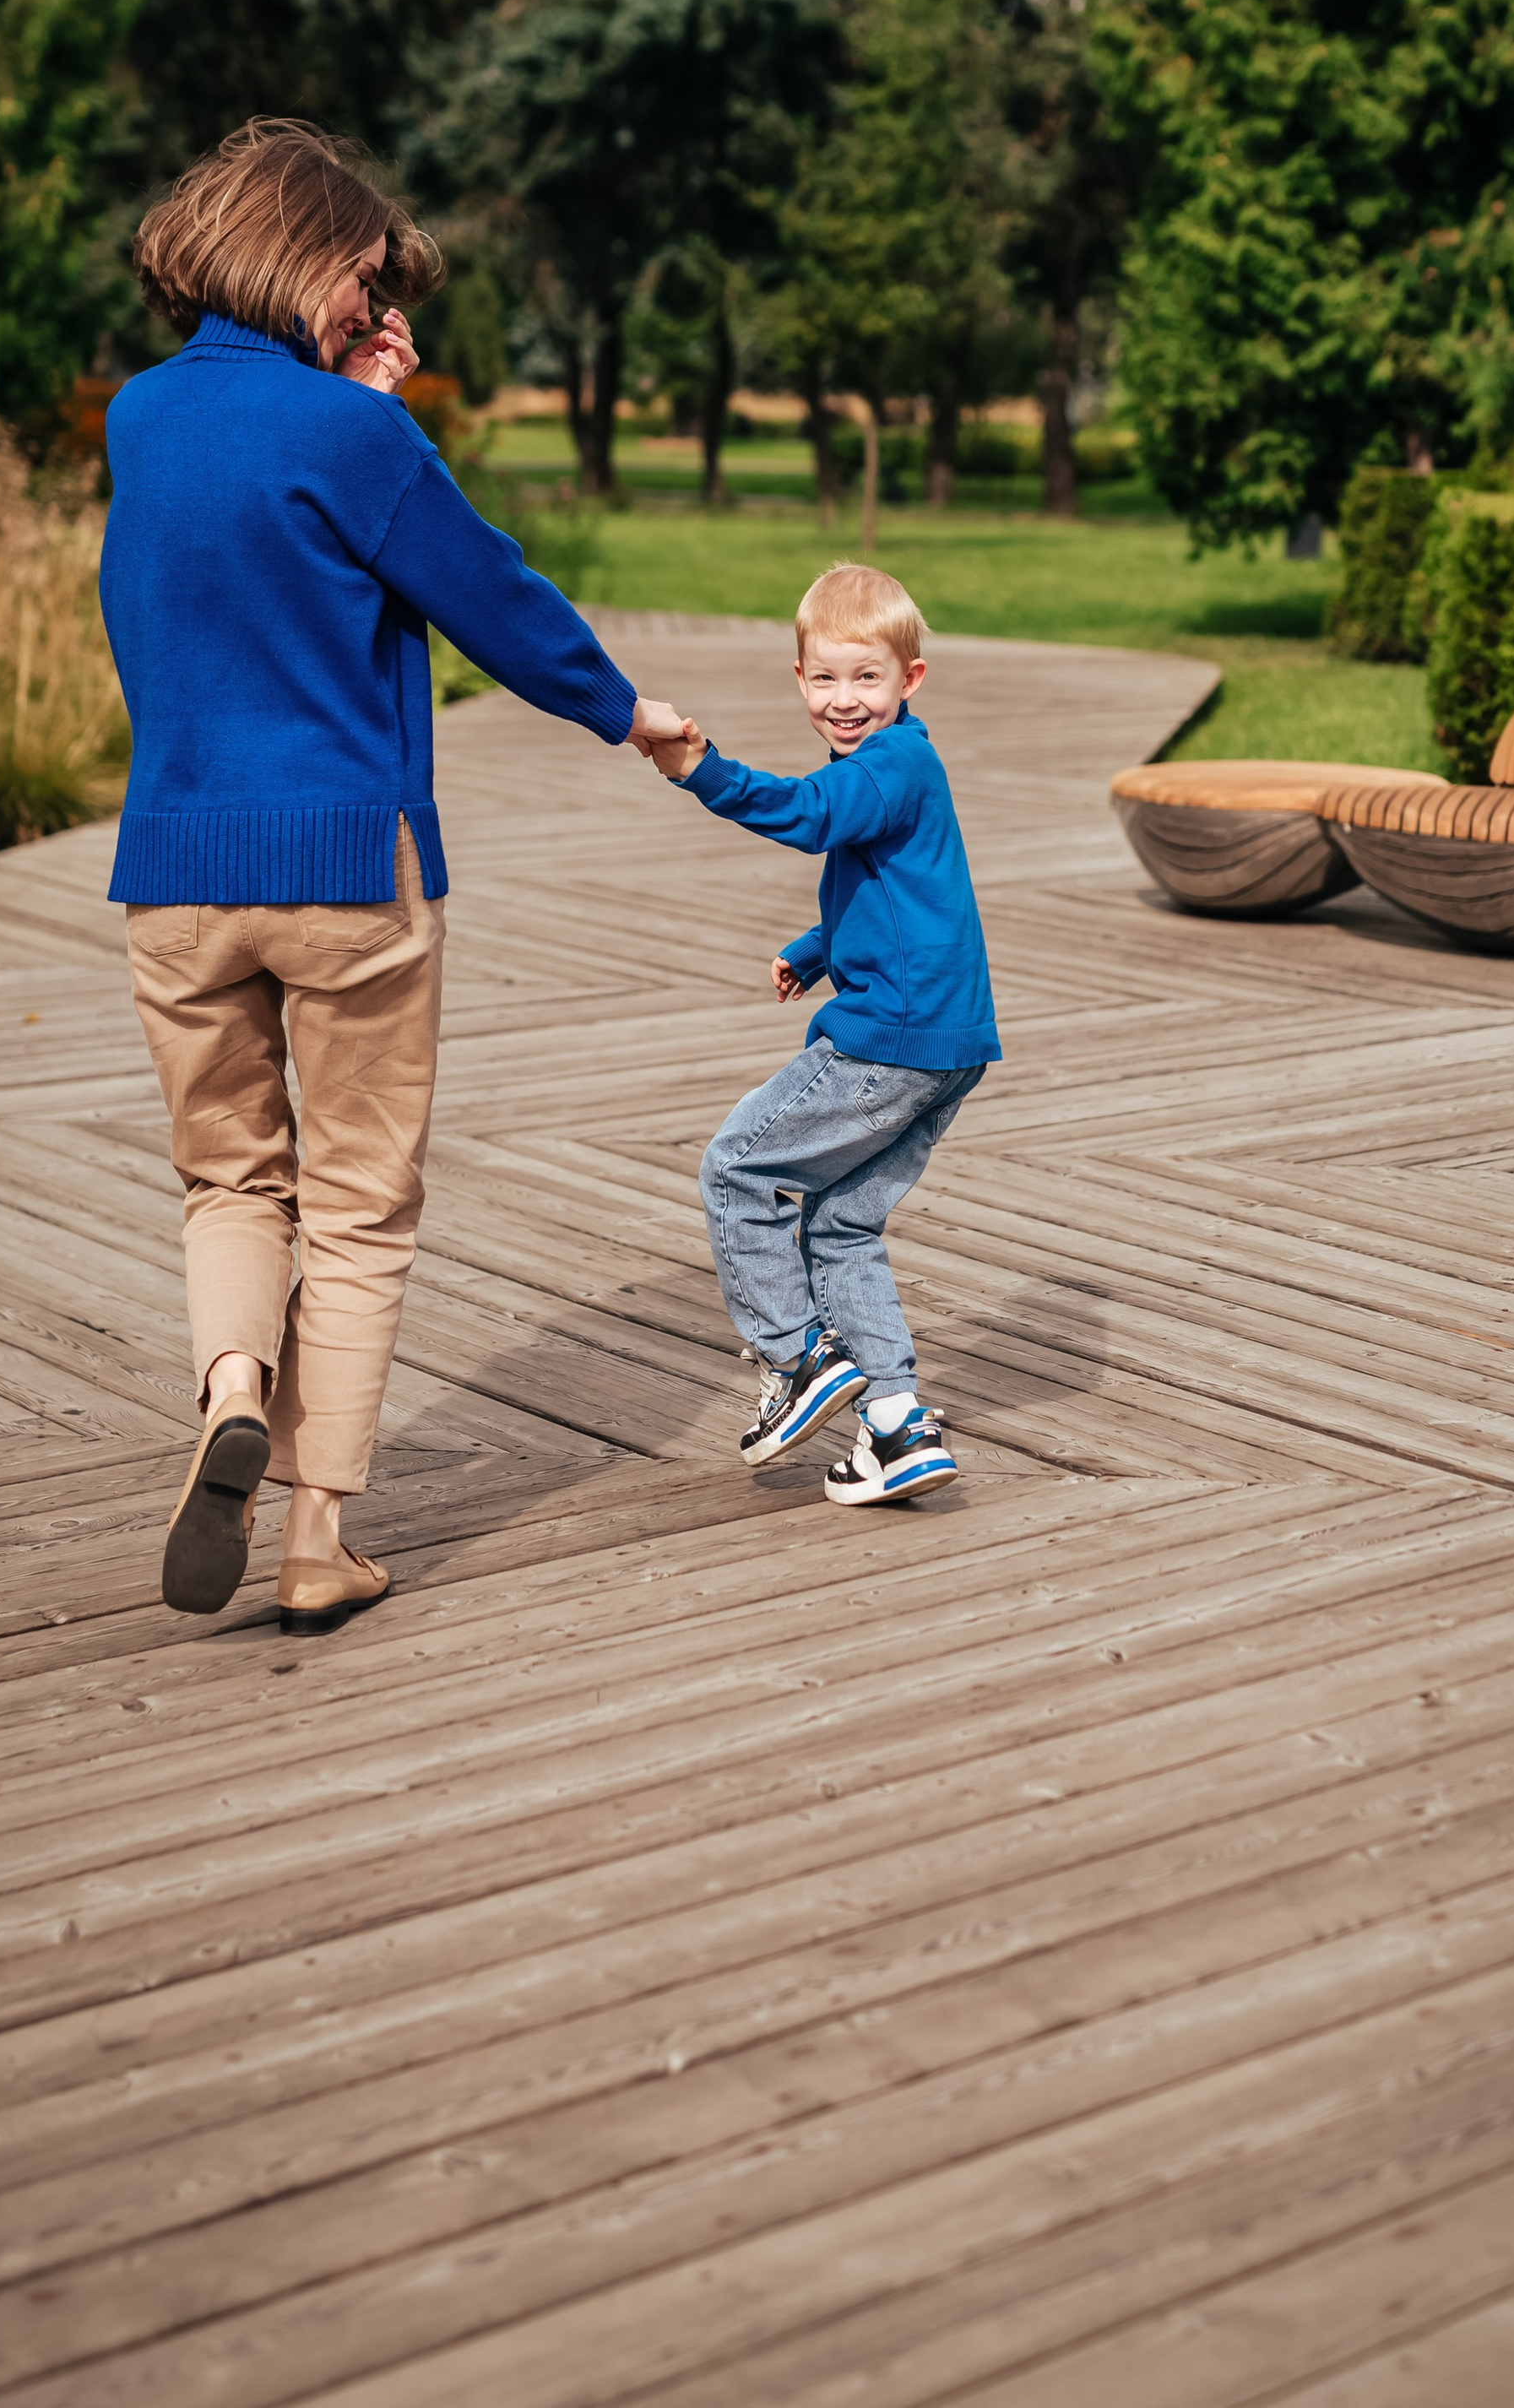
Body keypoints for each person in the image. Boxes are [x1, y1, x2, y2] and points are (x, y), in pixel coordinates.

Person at [100, 119, 686, 1635]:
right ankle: (322, 1538)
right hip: (349, 870)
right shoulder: (359, 437)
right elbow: (492, 594)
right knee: (360, 1203)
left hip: (173, 872)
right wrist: (631, 712)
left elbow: (203, 582)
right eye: (365, 281)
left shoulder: (142, 420)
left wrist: (354, 401)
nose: (378, 312)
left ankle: (233, 1388)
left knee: (229, 1177)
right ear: (303, 255)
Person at [648, 565, 999, 1504]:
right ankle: (894, 1425)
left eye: (867, 679)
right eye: (827, 680)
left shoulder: (891, 764)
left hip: (890, 1035)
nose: (846, 701)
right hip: (947, 1038)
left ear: (910, 680)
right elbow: (897, 885)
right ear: (799, 679)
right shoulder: (898, 766)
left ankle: (798, 1357)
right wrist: (817, 948)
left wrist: (700, 768)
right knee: (841, 1223)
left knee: (738, 1169)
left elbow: (809, 818)